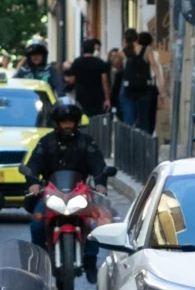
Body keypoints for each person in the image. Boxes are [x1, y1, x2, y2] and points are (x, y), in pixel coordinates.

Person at [22, 99, 110, 248]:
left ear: (76, 122)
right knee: (37, 223)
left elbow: (97, 163)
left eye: (71, 121)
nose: (68, 125)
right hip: (50, 191)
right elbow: (34, 163)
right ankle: (39, 257)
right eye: (64, 122)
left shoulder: (86, 142)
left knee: (94, 223)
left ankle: (90, 264)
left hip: (80, 191)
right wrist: (33, 183)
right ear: (57, 123)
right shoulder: (46, 142)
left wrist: (100, 183)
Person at [69, 37, 112, 127]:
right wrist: (107, 98)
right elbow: (104, 81)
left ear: (83, 49)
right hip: (97, 95)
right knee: (96, 119)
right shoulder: (100, 63)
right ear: (93, 49)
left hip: (81, 95)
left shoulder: (77, 62)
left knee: (82, 118)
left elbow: (72, 79)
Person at [118, 32, 155, 131]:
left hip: (129, 87)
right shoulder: (147, 50)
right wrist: (161, 84)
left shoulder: (123, 51)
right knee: (143, 118)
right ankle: (144, 143)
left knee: (129, 118)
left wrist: (125, 44)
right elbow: (154, 66)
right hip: (144, 86)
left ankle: (129, 143)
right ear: (137, 38)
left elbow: (120, 65)